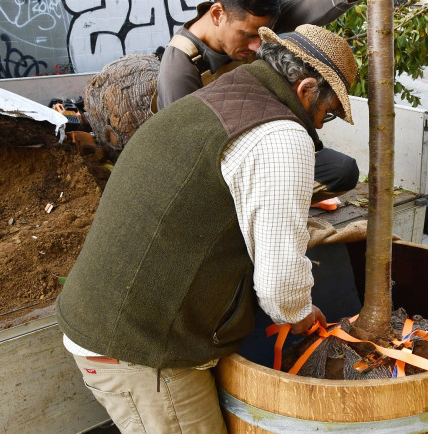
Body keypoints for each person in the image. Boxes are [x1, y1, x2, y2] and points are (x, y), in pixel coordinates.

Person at [56, 24, 358, 433]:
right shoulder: (282, 135)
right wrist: (302, 315)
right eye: (331, 111)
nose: (324, 124)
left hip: (110, 320)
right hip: (141, 350)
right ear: (305, 89)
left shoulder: (226, 93)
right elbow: (281, 287)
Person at [155, 0, 361, 205]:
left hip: (263, 146)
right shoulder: (179, 70)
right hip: (220, 175)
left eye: (262, 34)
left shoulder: (253, 17)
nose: (257, 45)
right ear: (218, 14)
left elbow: (310, 7)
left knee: (341, 170)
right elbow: (189, 165)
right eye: (248, 35)